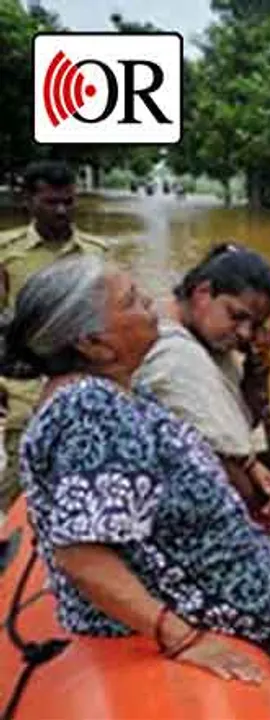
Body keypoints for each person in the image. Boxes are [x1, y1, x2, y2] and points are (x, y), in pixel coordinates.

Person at [6, 256, 270, 682]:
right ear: (93, 343)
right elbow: (80, 553)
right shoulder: (89, 409)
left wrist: (247, 468)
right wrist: (182, 637)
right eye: (132, 300)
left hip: (216, 571)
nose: (151, 304)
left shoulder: (113, 392)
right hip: (192, 596)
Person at [133, 244, 270, 561]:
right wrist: (266, 496)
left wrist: (258, 363)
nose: (243, 332)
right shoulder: (176, 358)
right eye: (237, 316)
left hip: (217, 509)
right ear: (202, 293)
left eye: (252, 325)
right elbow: (222, 465)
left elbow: (242, 420)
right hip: (197, 530)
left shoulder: (206, 340)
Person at [0, 160, 111, 510]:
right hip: (22, 382)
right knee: (18, 475)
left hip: (81, 377)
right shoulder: (5, 251)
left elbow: (109, 320)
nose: (62, 210)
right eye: (51, 202)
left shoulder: (96, 253)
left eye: (68, 201)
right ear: (28, 201)